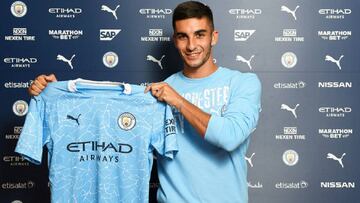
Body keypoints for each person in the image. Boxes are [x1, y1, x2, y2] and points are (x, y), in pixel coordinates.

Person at [28, 1, 261, 202]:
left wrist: (177, 100)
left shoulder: (243, 83)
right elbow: (108, 127)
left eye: (200, 34)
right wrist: (60, 98)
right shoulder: (156, 95)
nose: (191, 45)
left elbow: (230, 137)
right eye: (183, 36)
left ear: (214, 37)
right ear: (175, 40)